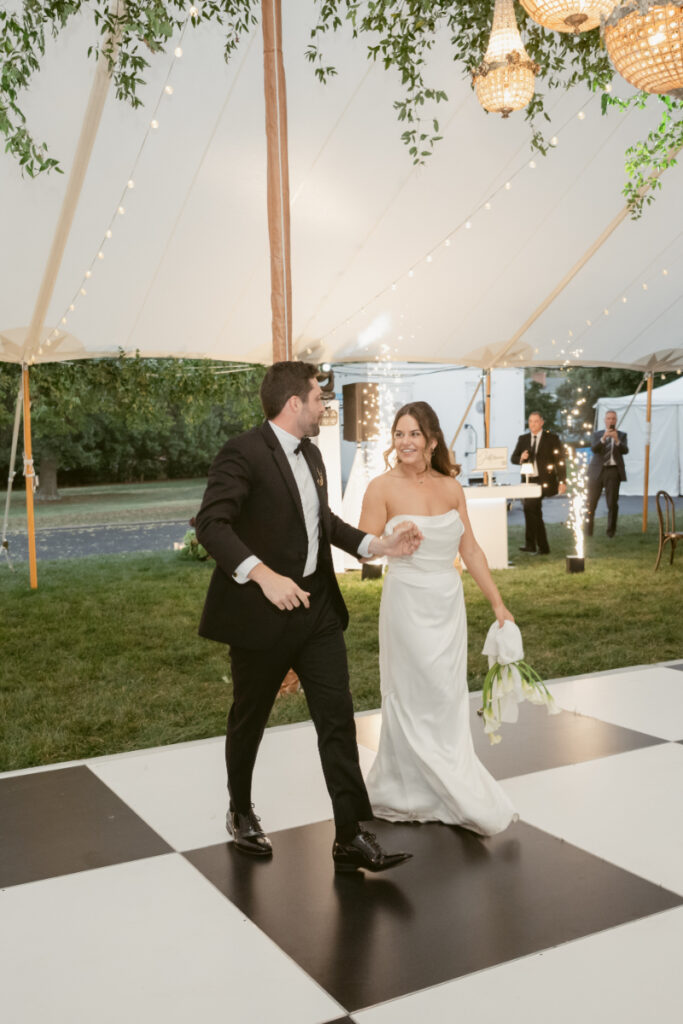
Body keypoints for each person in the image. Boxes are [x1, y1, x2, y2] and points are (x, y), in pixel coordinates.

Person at [195, 361, 422, 873]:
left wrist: (376, 544)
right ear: (294, 403)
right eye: (319, 398)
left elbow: (325, 524)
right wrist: (263, 576)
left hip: (317, 611)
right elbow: (212, 524)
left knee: (337, 718)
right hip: (262, 612)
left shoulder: (314, 455)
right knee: (249, 719)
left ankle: (349, 835)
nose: (325, 406)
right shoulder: (243, 452)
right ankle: (241, 811)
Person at [358, 401, 517, 835]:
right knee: (413, 692)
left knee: (446, 693)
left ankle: (449, 778)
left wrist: (497, 604)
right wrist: (389, 542)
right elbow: (362, 547)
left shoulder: (451, 488)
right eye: (399, 434)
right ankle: (405, 788)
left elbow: (471, 550)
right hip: (406, 600)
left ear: (431, 441)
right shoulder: (381, 488)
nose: (405, 442)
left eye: (413, 434)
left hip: (447, 603)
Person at [511, 411, 566, 555]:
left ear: (541, 422)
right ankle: (531, 545)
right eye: (530, 421)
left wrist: (562, 481)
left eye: (535, 421)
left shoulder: (552, 439)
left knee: (532, 508)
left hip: (544, 481)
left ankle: (543, 546)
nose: (533, 424)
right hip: (529, 480)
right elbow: (513, 458)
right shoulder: (523, 439)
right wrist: (521, 458)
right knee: (530, 510)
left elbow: (559, 461)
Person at [585, 409, 629, 538]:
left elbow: (625, 451)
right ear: (605, 420)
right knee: (590, 502)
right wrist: (604, 438)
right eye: (609, 418)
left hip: (613, 471)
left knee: (612, 503)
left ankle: (611, 532)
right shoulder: (597, 434)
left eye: (613, 418)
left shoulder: (621, 435)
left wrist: (616, 441)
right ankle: (588, 532)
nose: (611, 420)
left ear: (616, 420)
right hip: (597, 471)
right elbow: (594, 449)